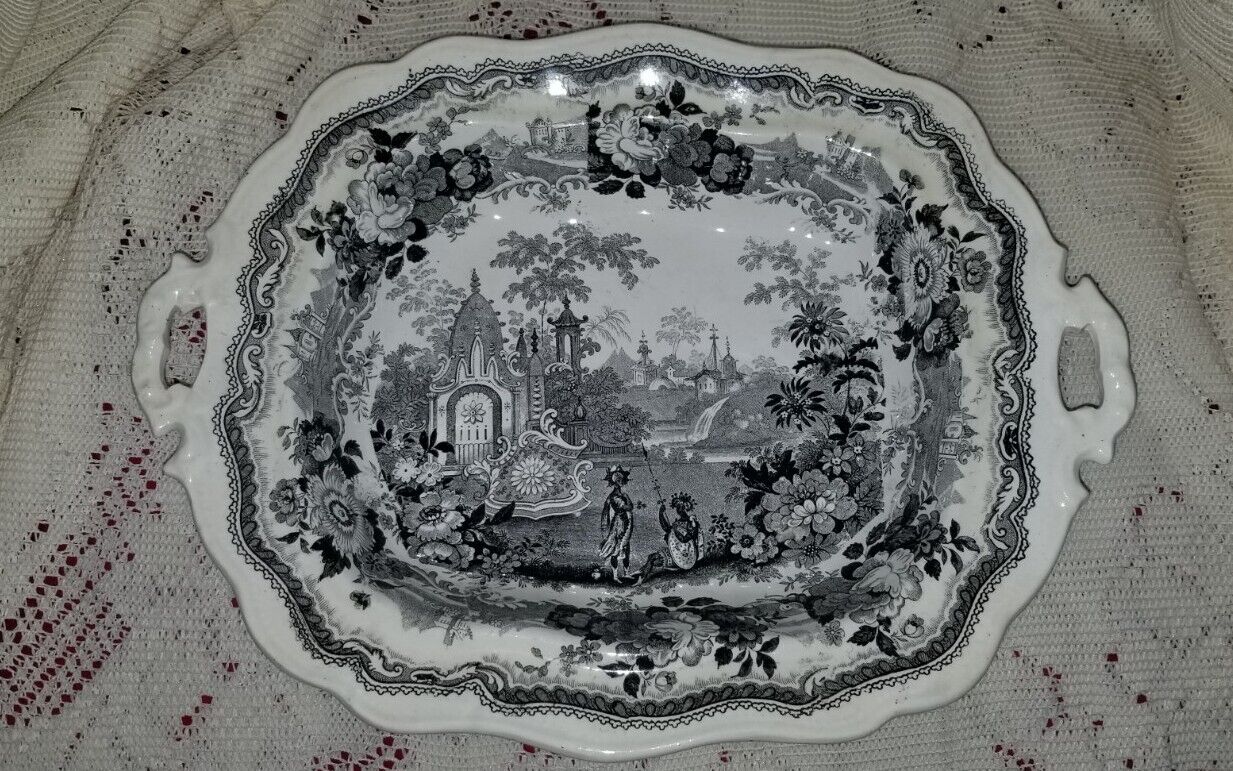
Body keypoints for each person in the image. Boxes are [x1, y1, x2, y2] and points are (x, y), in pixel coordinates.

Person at [598, 465, 635, 581]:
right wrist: (626, 497)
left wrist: (626, 497)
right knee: (617, 549)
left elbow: (630, 507)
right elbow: (629, 507)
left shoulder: (621, 495)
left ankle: (626, 573)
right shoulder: (614, 497)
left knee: (626, 548)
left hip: (626, 522)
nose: (621, 482)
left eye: (622, 480)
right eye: (618, 480)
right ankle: (615, 576)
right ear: (614, 483)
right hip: (619, 524)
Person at [658, 492, 701, 570]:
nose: (680, 510)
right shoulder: (677, 524)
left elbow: (689, 538)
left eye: (682, 507)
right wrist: (661, 514)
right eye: (678, 507)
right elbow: (667, 529)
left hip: (690, 554)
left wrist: (677, 533)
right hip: (678, 552)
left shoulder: (692, 521)